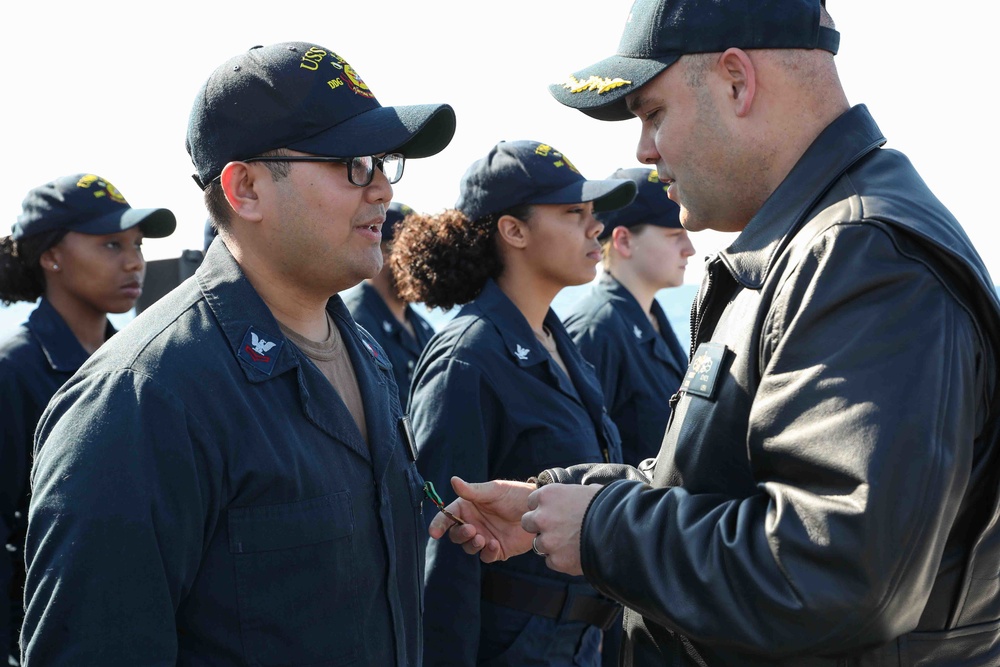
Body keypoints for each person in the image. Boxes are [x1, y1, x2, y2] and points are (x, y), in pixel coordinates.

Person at [428, 1, 1000, 665]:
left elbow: (831, 569)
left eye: (654, 114)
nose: (643, 150)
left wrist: (602, 527)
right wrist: (566, 498)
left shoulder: (860, 256)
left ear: (736, 80)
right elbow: (723, 483)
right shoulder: (812, 247)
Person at [22, 42, 455, 665]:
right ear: (245, 188)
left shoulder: (366, 355)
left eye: (383, 162)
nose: (383, 190)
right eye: (353, 164)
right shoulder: (143, 398)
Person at [391, 139, 635, 666]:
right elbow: (442, 550)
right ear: (514, 230)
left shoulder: (558, 343)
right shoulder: (468, 358)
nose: (594, 228)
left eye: (593, 214)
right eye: (574, 213)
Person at [0, 173, 175, 667]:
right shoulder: (14, 372)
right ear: (51, 256)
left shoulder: (145, 364)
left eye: (137, 245)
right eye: (111, 244)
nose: (134, 261)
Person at [562, 166, 694, 467]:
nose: (690, 249)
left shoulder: (650, 319)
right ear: (623, 241)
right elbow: (584, 458)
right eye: (675, 234)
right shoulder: (596, 329)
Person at [343, 201, 435, 410]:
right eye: (412, 251)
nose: (422, 262)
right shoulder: (357, 323)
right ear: (382, 252)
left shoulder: (422, 326)